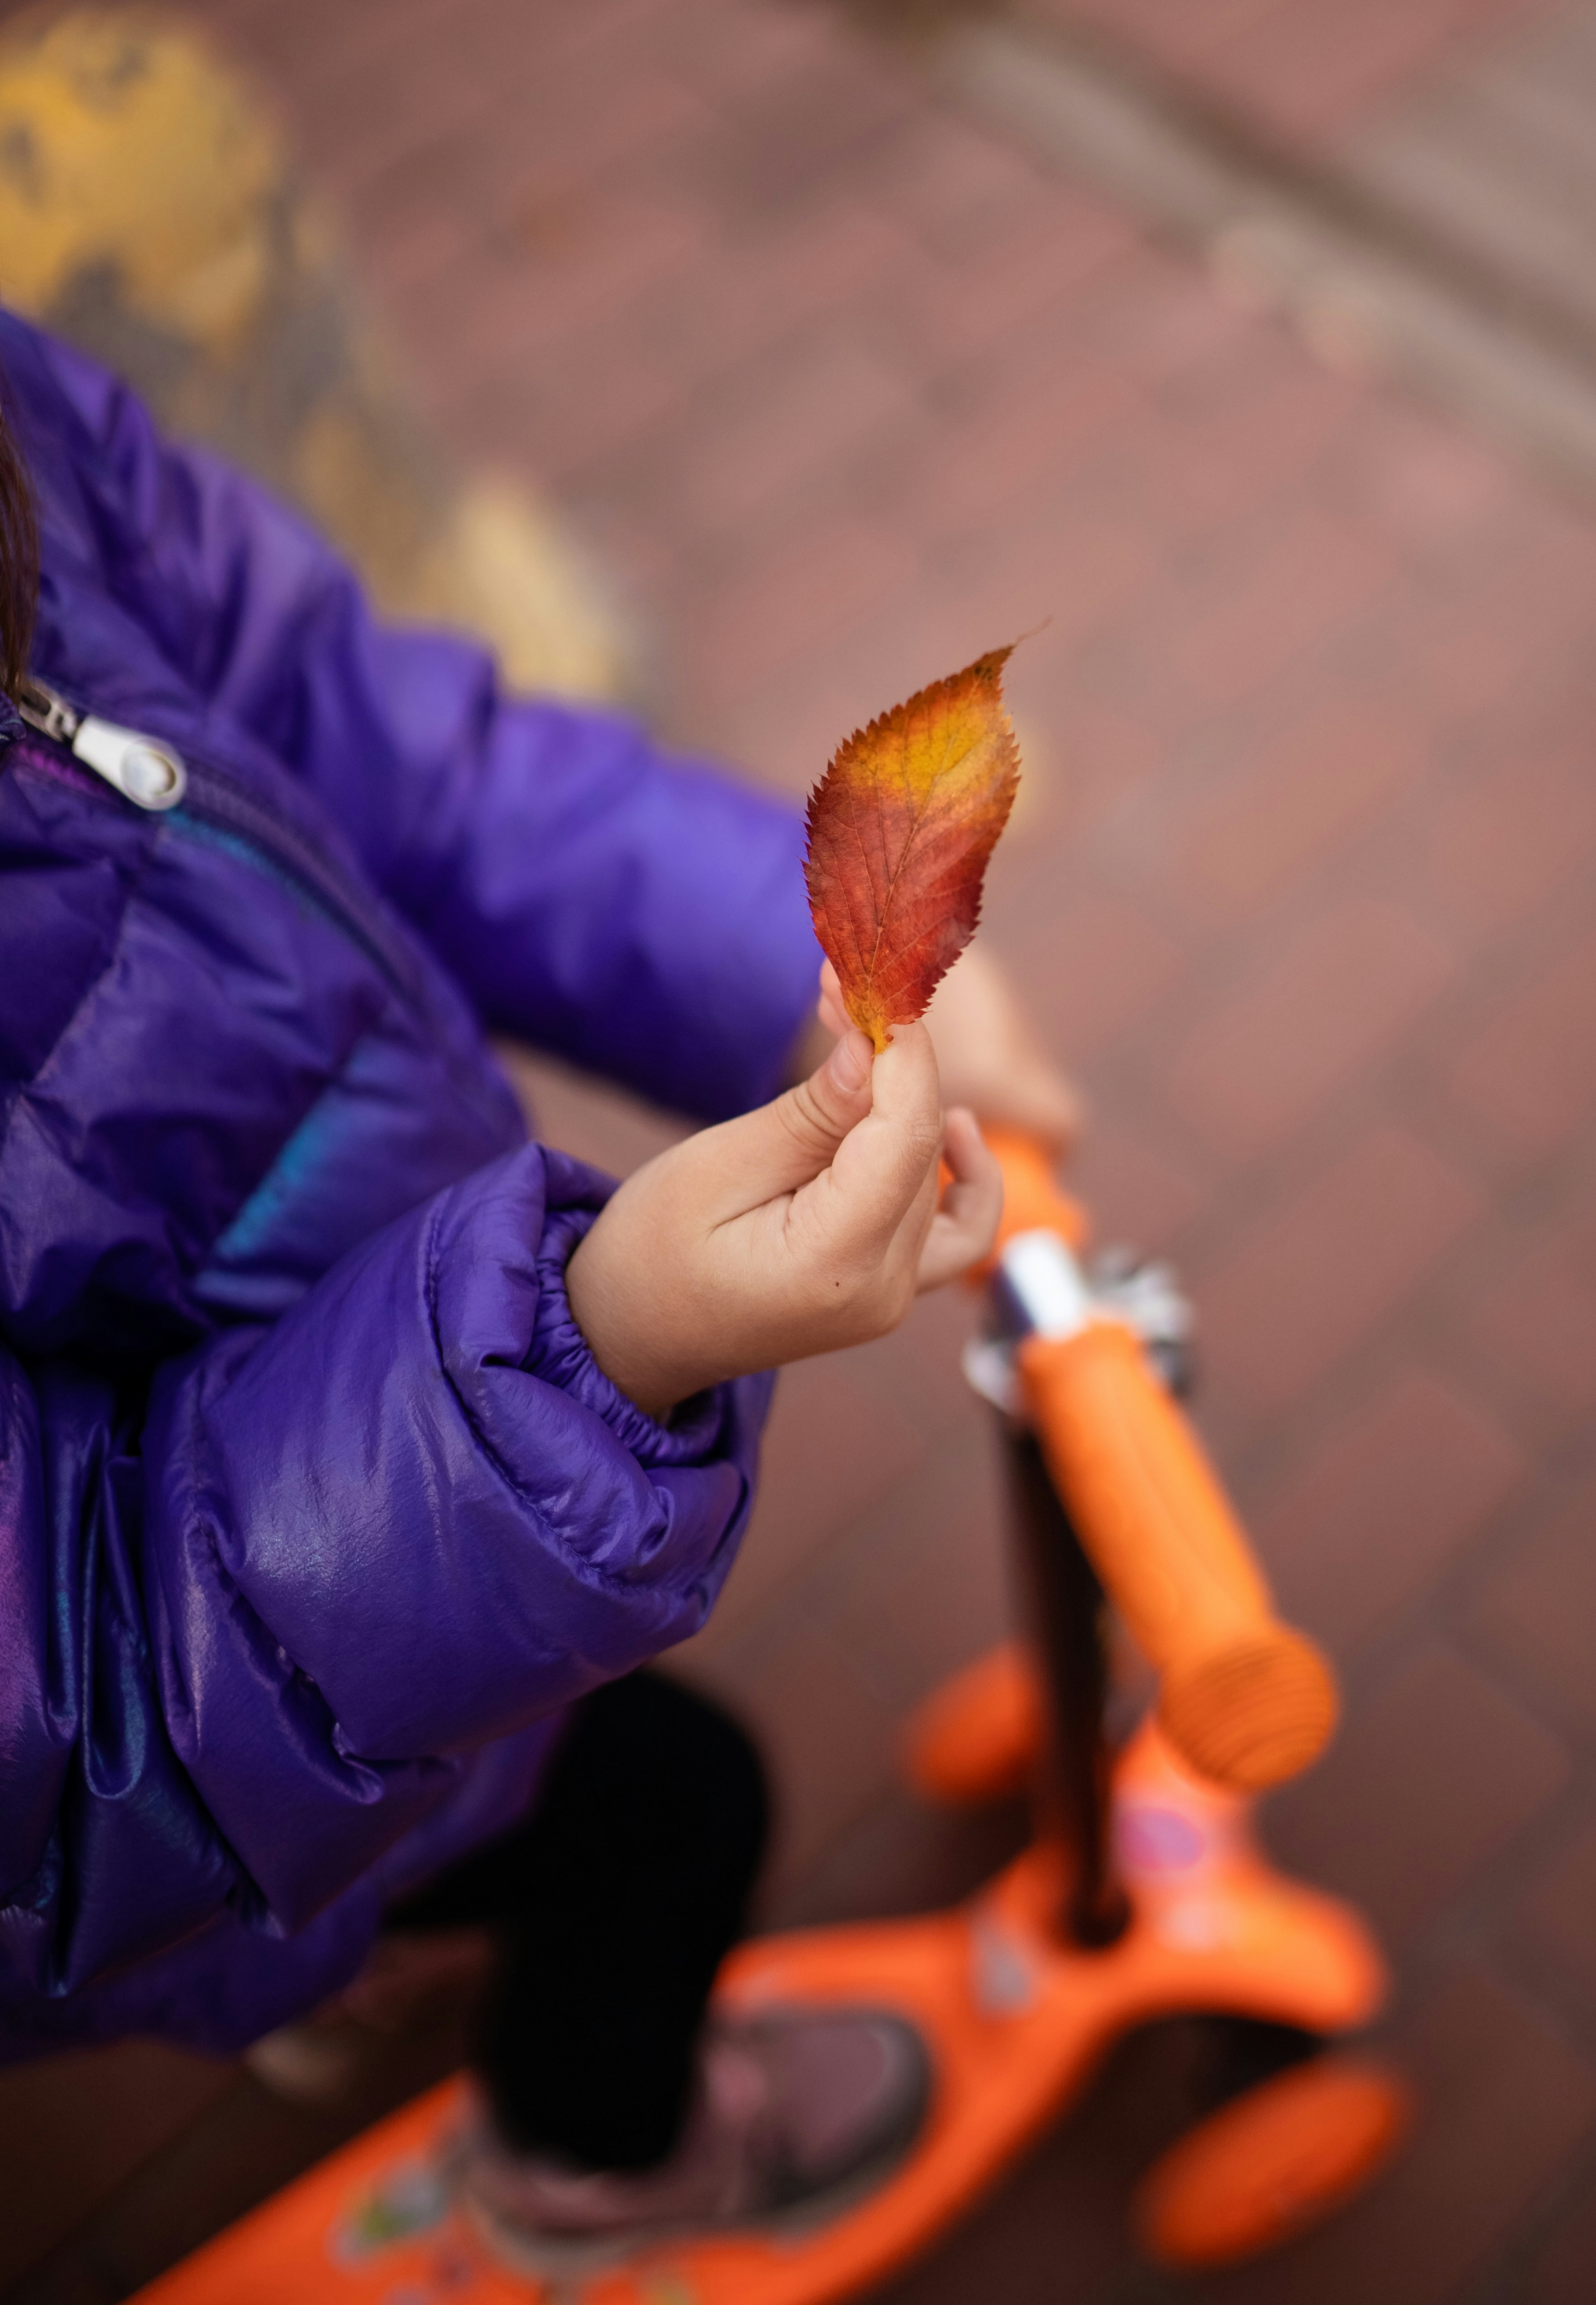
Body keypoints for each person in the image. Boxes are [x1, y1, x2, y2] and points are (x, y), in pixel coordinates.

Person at [0, 305, 1079, 2264]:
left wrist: (776, 950)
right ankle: (599, 2180)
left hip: (377, 1537)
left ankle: (349, 1964)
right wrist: (596, 1355)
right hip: (280, 1641)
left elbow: (367, 734)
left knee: (467, 1816)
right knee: (678, 1813)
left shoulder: (21, 417)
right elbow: (66, 1718)